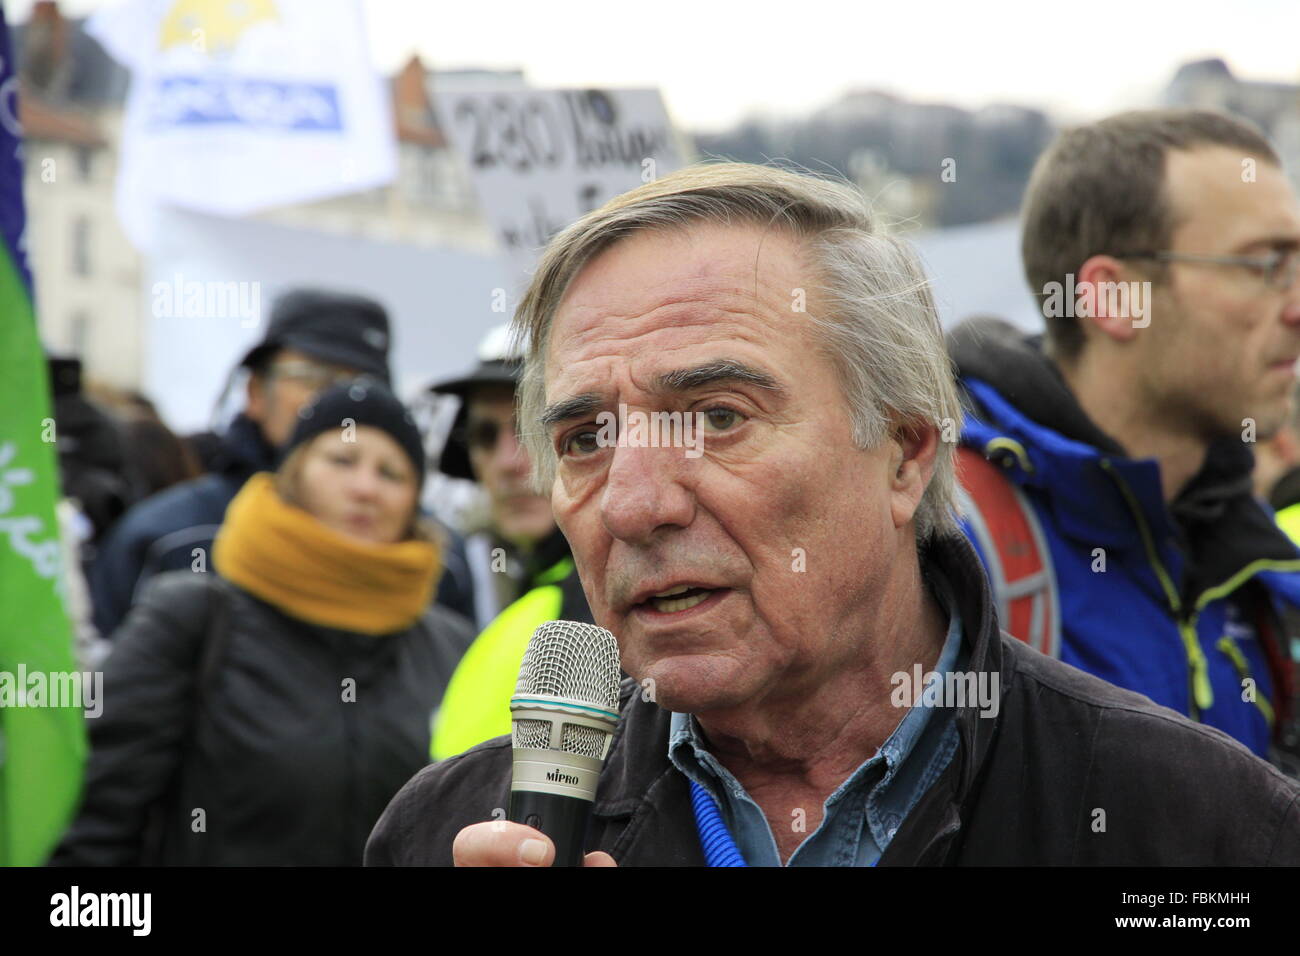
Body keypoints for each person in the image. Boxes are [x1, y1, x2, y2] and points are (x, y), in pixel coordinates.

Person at [364, 163, 1300, 867]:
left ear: (904, 450)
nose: (637, 503)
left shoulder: (1195, 826)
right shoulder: (450, 833)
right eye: (583, 440)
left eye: (719, 418)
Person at [948, 110, 1300, 769]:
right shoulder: (946, 549)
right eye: (1265, 265)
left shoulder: (1259, 564)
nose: (1297, 304)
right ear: (1113, 299)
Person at [50, 381, 476, 866]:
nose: (365, 488)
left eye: (392, 473)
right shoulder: (194, 619)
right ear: (293, 474)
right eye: (341, 460)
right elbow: (97, 821)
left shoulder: (451, 647)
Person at [88, 288, 392, 637]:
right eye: (311, 376)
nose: (336, 402)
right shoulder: (168, 536)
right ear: (256, 392)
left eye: (362, 385)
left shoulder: (424, 559)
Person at [425, 325, 594, 759]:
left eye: (532, 429)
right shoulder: (530, 599)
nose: (507, 462)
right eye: (484, 436)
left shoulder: (611, 609)